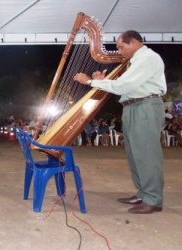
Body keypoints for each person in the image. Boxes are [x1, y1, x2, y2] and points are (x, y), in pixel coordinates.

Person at [74, 30, 167, 214]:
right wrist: (103, 81)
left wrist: (91, 82)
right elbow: (127, 85)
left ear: (134, 42)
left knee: (147, 155)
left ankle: (153, 199)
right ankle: (143, 193)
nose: (119, 51)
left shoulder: (148, 58)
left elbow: (124, 86)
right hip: (133, 107)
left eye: (121, 47)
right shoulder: (136, 62)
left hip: (145, 107)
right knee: (135, 155)